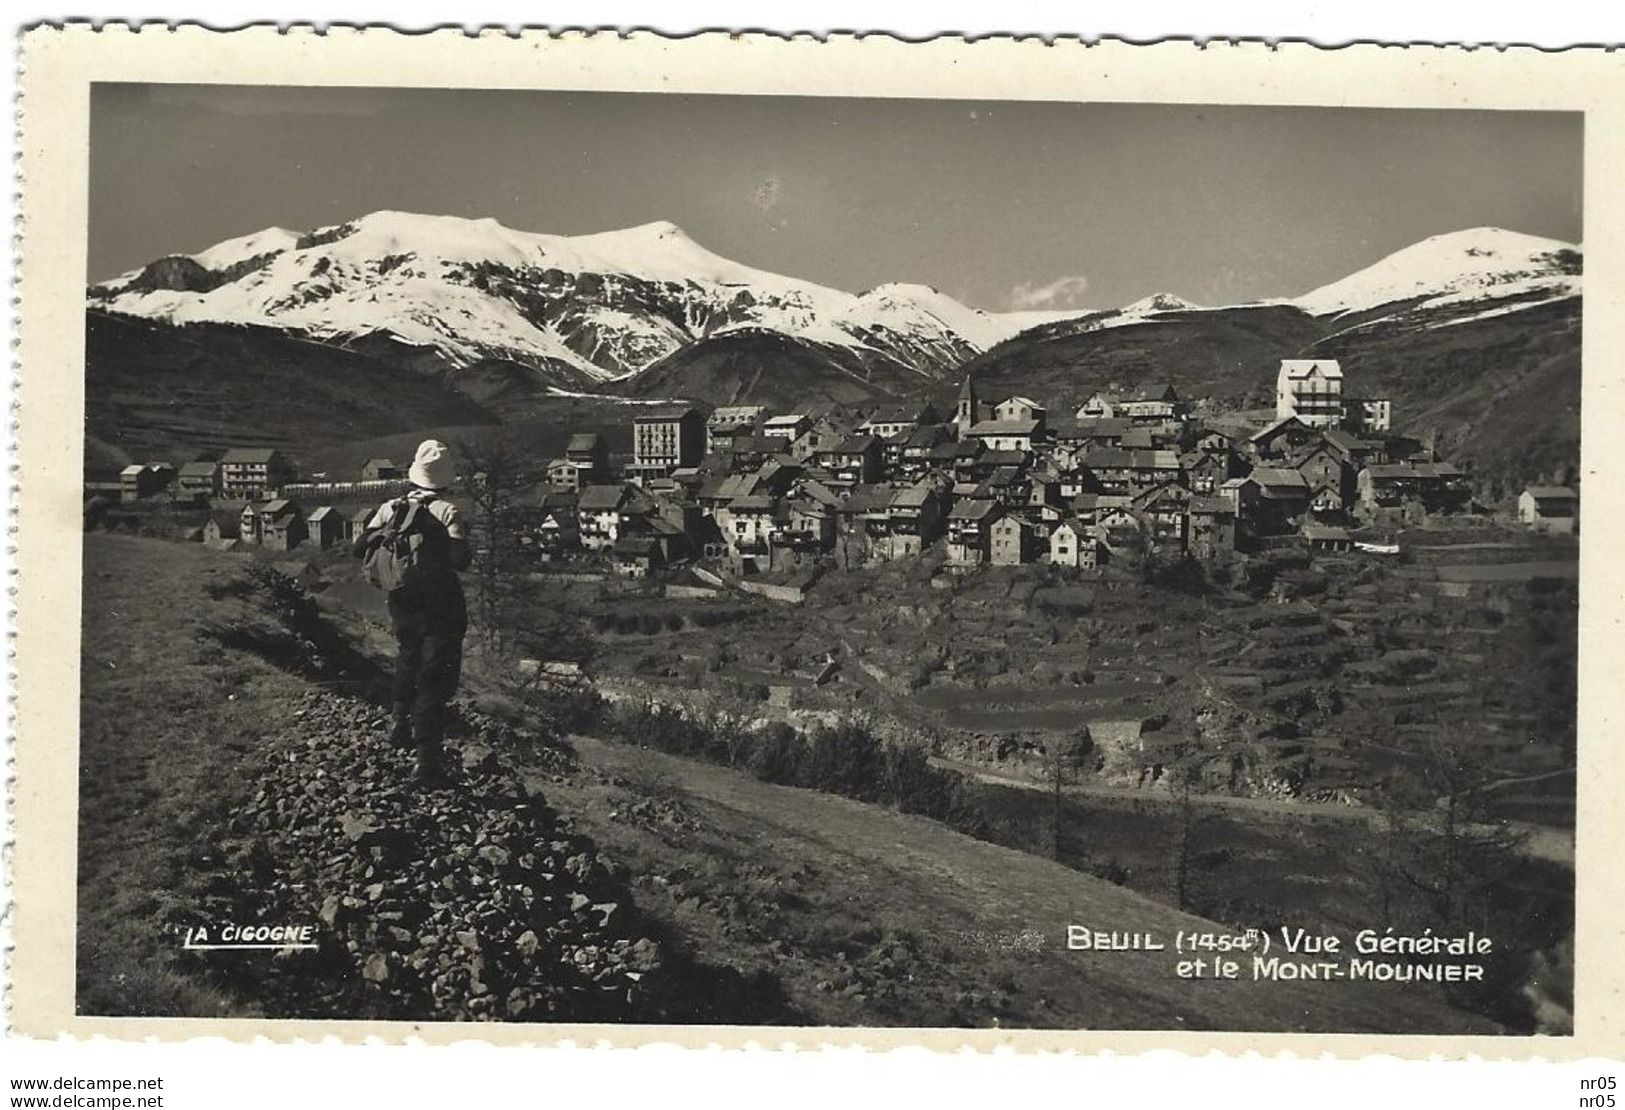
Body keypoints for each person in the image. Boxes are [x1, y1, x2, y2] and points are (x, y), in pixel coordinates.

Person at [355, 439, 471, 784]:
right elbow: (459, 561)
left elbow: (360, 546)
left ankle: (398, 723)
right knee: (436, 674)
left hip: (402, 598)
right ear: (446, 478)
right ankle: (426, 759)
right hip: (440, 603)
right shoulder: (447, 511)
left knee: (408, 656)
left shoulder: (391, 507)